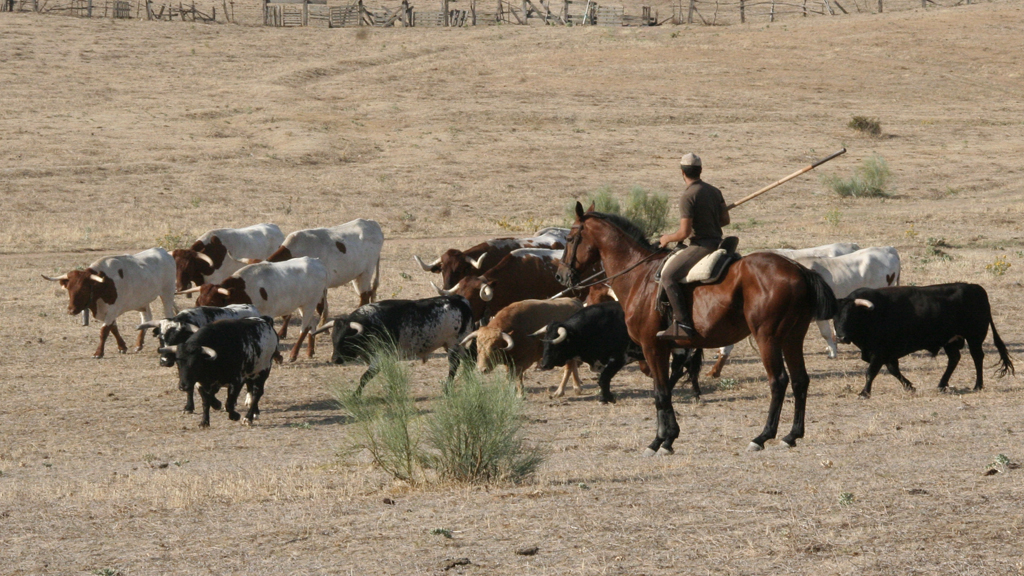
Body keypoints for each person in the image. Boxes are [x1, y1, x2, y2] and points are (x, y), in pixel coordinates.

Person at [656, 153, 730, 340]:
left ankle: (683, 323)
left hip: (702, 246)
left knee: (668, 276)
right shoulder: (714, 191)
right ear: (701, 170)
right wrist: (708, 220)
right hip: (718, 241)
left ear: (682, 172)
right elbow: (725, 220)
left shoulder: (688, 196)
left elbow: (684, 234)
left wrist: (666, 238)